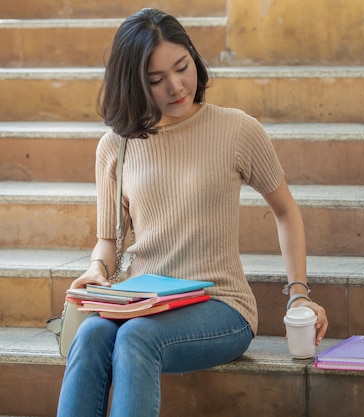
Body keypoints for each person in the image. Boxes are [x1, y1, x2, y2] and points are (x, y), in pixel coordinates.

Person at [56, 8, 328, 417]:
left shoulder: (236, 130)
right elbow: (109, 241)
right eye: (156, 80)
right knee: (92, 334)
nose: (177, 86)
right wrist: (97, 269)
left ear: (193, 58)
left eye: (182, 67)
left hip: (221, 306)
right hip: (142, 303)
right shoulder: (116, 146)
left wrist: (299, 294)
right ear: (134, 84)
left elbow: (286, 211)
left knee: (135, 339)